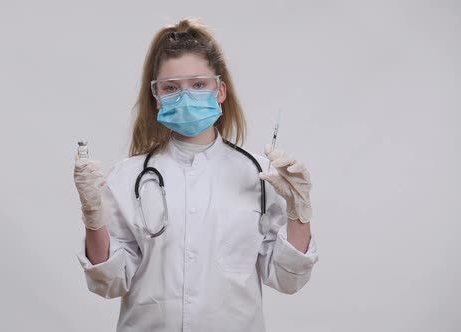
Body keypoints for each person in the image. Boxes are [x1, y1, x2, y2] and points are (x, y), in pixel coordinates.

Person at [74, 18, 319, 332]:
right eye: (171, 88)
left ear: (220, 90)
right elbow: (108, 284)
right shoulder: (128, 176)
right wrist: (93, 216)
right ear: (156, 97)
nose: (185, 97)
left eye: (199, 85)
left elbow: (288, 279)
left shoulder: (260, 176)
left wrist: (300, 211)